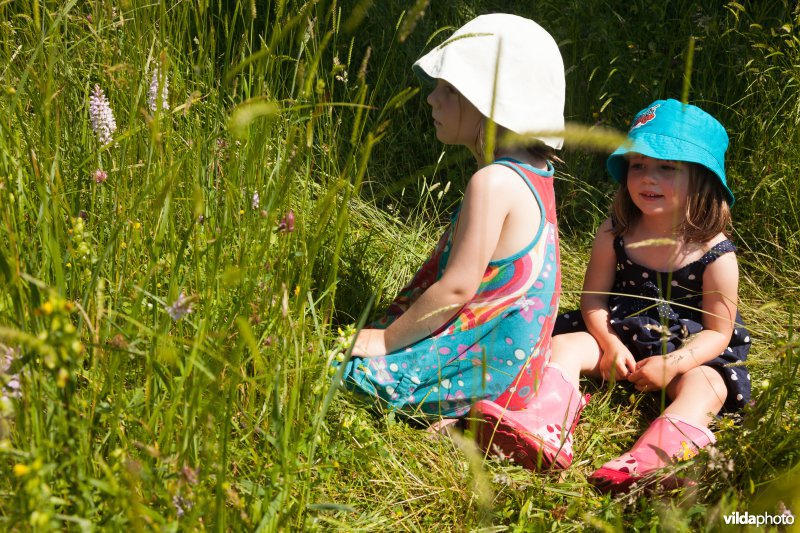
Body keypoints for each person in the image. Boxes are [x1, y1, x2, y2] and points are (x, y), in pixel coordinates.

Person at [472, 99, 751, 492]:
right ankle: (543, 425)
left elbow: (718, 334)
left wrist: (673, 363)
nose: (647, 178)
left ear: (703, 179)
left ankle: (659, 458)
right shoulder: (616, 230)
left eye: (666, 168)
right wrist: (607, 341)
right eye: (637, 166)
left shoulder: (715, 252)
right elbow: (594, 300)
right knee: (565, 345)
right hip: (619, 331)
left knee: (708, 386)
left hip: (689, 350)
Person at [341, 14, 566, 425]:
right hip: (519, 372)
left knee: (346, 368)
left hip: (486, 372)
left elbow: (457, 288)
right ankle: (469, 419)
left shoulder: (493, 182)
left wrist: (386, 341)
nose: (432, 99)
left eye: (448, 89)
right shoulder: (536, 175)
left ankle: (465, 417)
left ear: (492, 104)